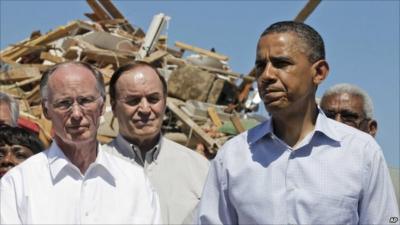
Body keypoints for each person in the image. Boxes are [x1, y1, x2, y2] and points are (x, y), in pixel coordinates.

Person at [196, 21, 399, 224]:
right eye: (260, 66)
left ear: (319, 72)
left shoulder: (361, 153)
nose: (267, 75)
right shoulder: (233, 157)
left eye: (281, 63)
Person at [0, 61, 160, 224]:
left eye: (85, 101)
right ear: (46, 110)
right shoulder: (17, 184)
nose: (76, 114)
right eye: (64, 103)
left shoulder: (135, 182)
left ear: (102, 106)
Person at [103, 61, 209, 224]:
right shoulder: (96, 167)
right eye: (133, 100)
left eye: (153, 99)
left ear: (165, 103)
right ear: (114, 106)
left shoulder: (200, 170)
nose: (145, 109)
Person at [320, 82, 400, 208]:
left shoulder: (393, 185)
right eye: (328, 117)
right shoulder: (298, 170)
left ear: (371, 129)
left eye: (349, 118)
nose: (336, 124)